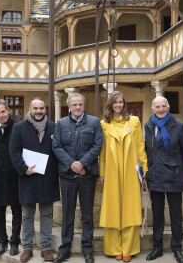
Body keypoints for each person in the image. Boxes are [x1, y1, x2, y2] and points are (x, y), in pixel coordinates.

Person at [52, 93, 103, 263]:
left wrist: (82, 163)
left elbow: (97, 145)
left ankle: (87, 249)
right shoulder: (61, 124)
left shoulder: (94, 122)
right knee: (68, 213)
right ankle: (65, 249)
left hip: (87, 175)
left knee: (87, 213)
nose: (77, 107)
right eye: (74, 105)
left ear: (84, 105)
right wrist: (72, 164)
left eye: (80, 104)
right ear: (69, 106)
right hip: (67, 175)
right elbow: (56, 146)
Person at [99, 91, 148, 262]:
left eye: (120, 102)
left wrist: (144, 167)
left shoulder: (134, 121)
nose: (118, 105)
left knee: (130, 208)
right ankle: (114, 248)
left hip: (130, 170)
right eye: (115, 102)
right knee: (112, 209)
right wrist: (102, 172)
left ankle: (129, 248)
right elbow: (102, 152)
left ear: (124, 103)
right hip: (112, 171)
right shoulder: (104, 124)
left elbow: (140, 145)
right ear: (110, 105)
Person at [9, 97, 60, 262]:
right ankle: (28, 248)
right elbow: (14, 151)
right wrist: (24, 169)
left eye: (41, 108)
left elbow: (58, 150)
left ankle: (46, 248)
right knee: (27, 215)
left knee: (47, 214)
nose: (39, 111)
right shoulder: (19, 127)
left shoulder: (53, 127)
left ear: (45, 110)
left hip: (48, 177)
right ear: (30, 110)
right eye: (35, 108)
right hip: (27, 177)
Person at [144, 96, 183, 263]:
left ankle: (177, 248)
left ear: (168, 107)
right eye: (158, 106)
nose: (161, 109)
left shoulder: (178, 125)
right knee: (157, 216)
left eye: (164, 106)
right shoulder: (148, 125)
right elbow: (145, 150)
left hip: (175, 176)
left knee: (176, 216)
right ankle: (157, 248)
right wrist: (144, 169)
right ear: (153, 108)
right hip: (155, 176)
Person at [0, 99, 22, 256]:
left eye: (3, 112)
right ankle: (2, 241)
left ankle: (15, 242)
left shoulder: (19, 127)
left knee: (17, 210)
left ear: (8, 111)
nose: (1, 115)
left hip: (16, 175)